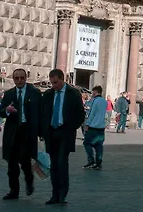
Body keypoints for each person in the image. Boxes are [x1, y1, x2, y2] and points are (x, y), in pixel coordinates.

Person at [40, 68, 86, 205]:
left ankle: (62, 195)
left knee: (62, 163)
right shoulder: (48, 94)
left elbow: (80, 114)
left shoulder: (73, 93)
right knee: (53, 165)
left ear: (62, 79)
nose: (54, 85)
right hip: (51, 133)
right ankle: (54, 194)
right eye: (52, 83)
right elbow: (43, 113)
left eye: (56, 82)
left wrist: (71, 127)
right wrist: (43, 131)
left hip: (65, 133)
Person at [0, 68, 41, 200]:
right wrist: (7, 110)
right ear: (13, 79)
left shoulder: (34, 92)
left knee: (24, 159)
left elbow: (41, 112)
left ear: (26, 78)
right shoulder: (9, 94)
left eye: (22, 78)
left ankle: (29, 181)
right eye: (17, 78)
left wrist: (41, 131)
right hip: (12, 131)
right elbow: (1, 112)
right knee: (11, 163)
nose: (19, 80)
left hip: (27, 130)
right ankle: (14, 191)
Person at [83, 86, 107, 170]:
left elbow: (91, 113)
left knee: (86, 143)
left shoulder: (94, 101)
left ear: (95, 92)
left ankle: (91, 160)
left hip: (93, 126)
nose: (92, 94)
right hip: (101, 126)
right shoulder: (104, 101)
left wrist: (87, 124)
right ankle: (98, 163)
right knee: (99, 145)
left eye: (93, 92)